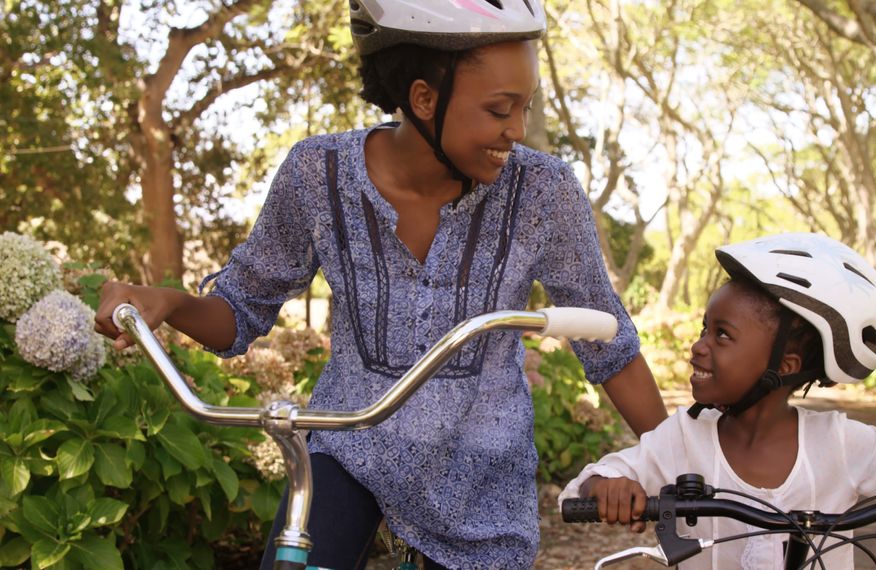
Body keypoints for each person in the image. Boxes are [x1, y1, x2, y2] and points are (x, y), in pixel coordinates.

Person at [93, 1, 668, 567]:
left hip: (479, 479)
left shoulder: (541, 190)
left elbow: (608, 343)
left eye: (525, 107)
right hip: (350, 448)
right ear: (423, 98)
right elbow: (238, 313)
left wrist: (684, 464)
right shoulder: (317, 174)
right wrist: (165, 302)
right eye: (499, 109)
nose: (516, 130)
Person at [559, 233, 876, 569]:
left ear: (788, 364)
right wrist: (608, 488)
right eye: (704, 330)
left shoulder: (839, 443)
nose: (699, 346)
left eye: (722, 335)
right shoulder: (680, 439)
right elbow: (597, 479)